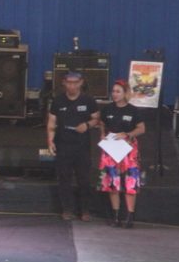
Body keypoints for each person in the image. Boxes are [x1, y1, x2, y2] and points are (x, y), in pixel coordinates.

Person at [47, 71, 100, 221]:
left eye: (75, 83)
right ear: (64, 83)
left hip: (82, 146)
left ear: (81, 83)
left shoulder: (88, 100)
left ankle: (85, 210)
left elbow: (96, 119)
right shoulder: (58, 101)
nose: (72, 86)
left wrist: (87, 125)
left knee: (84, 179)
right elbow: (51, 123)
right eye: (69, 83)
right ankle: (67, 209)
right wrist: (50, 141)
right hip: (63, 145)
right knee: (64, 178)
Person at [99, 79, 145, 228]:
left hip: (128, 148)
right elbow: (102, 123)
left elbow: (141, 128)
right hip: (111, 147)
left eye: (118, 91)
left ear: (125, 93)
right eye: (113, 91)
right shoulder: (107, 109)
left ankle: (130, 216)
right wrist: (102, 134)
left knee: (131, 181)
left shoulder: (133, 110)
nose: (115, 94)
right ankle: (116, 216)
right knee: (113, 181)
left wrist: (128, 134)